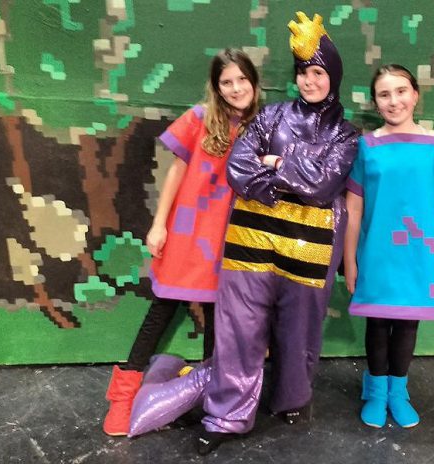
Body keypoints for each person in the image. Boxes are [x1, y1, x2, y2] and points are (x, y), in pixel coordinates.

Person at [127, 12, 359, 455]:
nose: (309, 82)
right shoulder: (270, 115)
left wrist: (275, 166)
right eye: (302, 74)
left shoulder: (346, 134)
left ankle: (292, 399)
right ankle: (227, 415)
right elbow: (239, 168)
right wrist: (291, 175)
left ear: (332, 76)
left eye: (317, 73)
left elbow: (323, 185)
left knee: (299, 332)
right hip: (251, 242)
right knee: (237, 331)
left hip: (309, 250)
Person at [102, 48, 260, 437]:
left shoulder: (264, 125)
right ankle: (122, 398)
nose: (236, 88)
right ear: (217, 87)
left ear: (254, 83)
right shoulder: (199, 118)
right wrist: (159, 225)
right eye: (227, 81)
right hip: (189, 231)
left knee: (219, 318)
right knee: (162, 309)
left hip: (233, 235)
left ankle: (208, 395)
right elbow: (176, 173)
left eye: (242, 79)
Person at [343, 64, 434, 429]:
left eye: (401, 91)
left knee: (407, 324)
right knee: (379, 320)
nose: (394, 100)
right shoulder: (366, 147)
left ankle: (398, 392)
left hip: (420, 254)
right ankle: (377, 391)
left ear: (415, 94)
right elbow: (353, 209)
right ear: (375, 101)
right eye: (384, 94)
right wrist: (350, 260)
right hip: (378, 254)